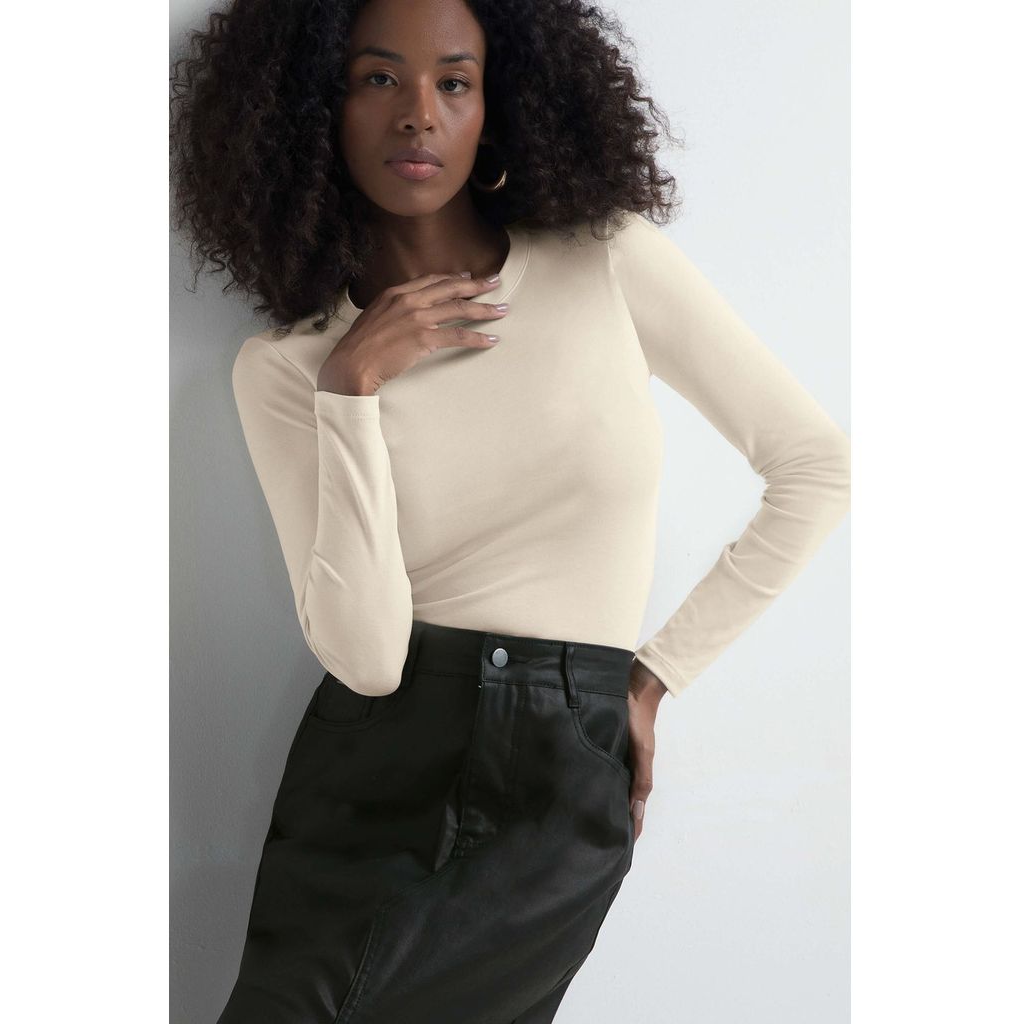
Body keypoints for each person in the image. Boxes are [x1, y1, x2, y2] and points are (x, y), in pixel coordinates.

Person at [170, 0, 851, 1020]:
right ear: (316, 106)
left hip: (560, 777)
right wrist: (350, 390)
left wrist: (653, 679)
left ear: (498, 105)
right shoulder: (289, 367)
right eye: (377, 78)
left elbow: (815, 466)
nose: (417, 112)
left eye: (454, 82)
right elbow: (368, 661)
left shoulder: (604, 262)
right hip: (376, 766)